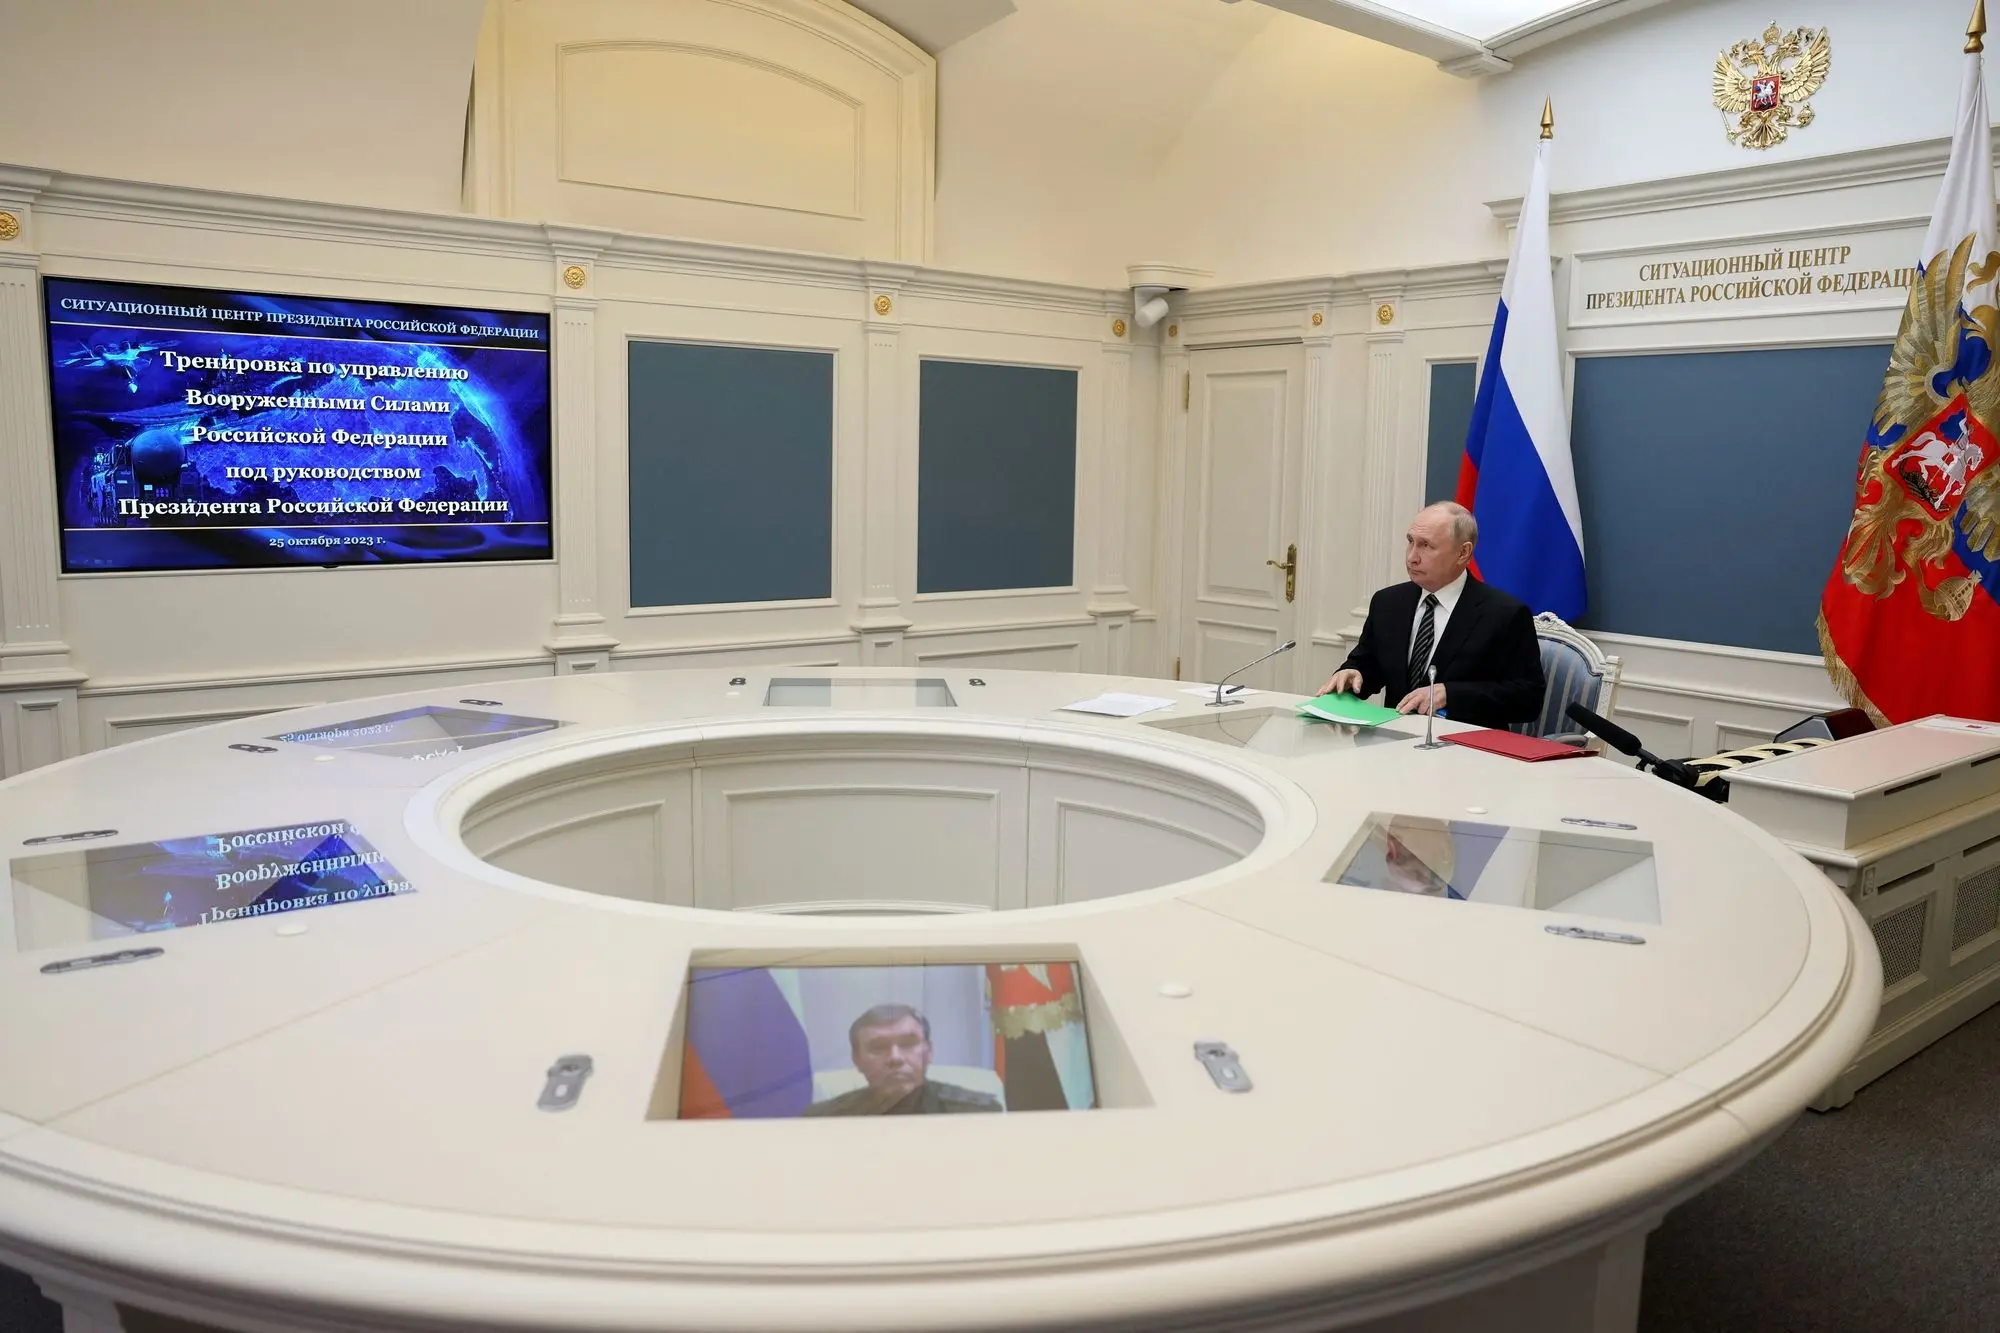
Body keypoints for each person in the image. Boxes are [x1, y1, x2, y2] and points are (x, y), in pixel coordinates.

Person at [1318, 502, 1544, 728]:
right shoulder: (1388, 602)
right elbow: (1369, 664)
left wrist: (1450, 695)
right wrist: (1352, 672)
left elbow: (1528, 699)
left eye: (1426, 545)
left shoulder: (1504, 613)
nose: (1412, 557)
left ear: (1463, 553)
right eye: (1410, 542)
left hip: (1463, 744)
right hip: (1393, 739)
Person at [799, 1003, 1003, 1116]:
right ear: (857, 1060)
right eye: (878, 1048)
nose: (895, 1058)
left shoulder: (976, 1112)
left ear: (928, 1052)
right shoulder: (823, 1119)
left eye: (908, 1044)